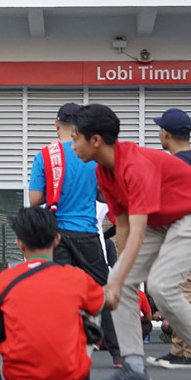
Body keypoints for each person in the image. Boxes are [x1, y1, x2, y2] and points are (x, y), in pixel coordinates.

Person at [69, 104, 191, 380]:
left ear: (95, 140)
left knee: (161, 284)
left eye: (75, 137)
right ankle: (134, 367)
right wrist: (120, 280)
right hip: (162, 219)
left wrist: (118, 281)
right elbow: (125, 228)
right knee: (120, 279)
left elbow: (138, 233)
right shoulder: (104, 172)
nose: (72, 144)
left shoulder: (133, 165)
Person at [0, 206, 105, 380]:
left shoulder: (2, 280)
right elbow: (105, 304)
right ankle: (78, 369)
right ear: (57, 239)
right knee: (94, 305)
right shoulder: (77, 278)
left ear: (19, 244)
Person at [28, 102, 120, 365]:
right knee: (104, 292)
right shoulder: (90, 154)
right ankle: (118, 354)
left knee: (60, 293)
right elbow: (104, 194)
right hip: (88, 233)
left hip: (56, 235)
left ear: (57, 125)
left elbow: (35, 199)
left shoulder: (44, 155)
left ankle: (63, 351)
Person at [148, 107, 191, 370]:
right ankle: (180, 348)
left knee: (180, 291)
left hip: (183, 236)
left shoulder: (175, 163)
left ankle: (190, 352)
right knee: (180, 289)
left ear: (166, 133)